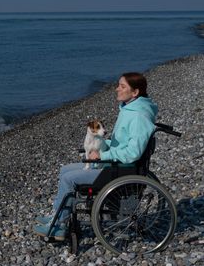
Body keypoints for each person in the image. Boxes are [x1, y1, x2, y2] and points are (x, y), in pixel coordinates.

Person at [33, 72, 158, 240]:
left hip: (120, 169)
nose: (116, 89)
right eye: (118, 85)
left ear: (135, 93)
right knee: (65, 170)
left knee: (69, 179)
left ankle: (59, 225)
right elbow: (119, 144)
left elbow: (133, 152)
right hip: (112, 163)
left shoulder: (138, 116)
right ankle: (57, 215)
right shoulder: (129, 109)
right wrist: (100, 147)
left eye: (122, 86)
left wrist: (102, 154)